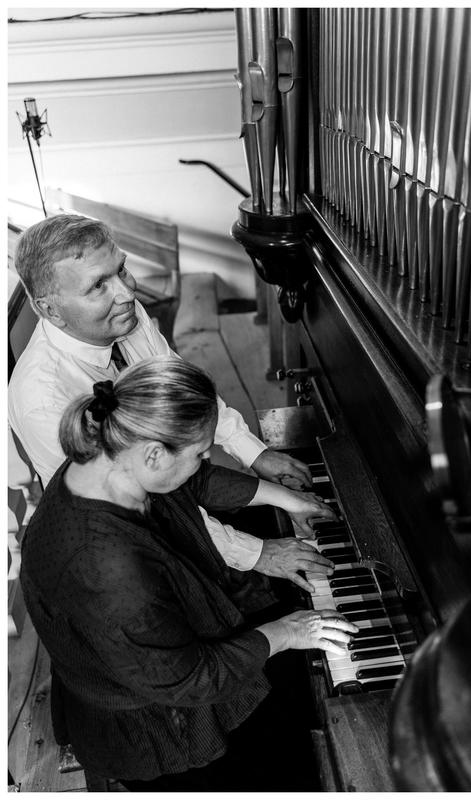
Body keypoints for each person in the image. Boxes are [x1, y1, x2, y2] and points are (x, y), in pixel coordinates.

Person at [20, 356, 358, 791]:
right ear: (154, 454)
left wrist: (285, 498)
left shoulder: (109, 459)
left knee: (300, 674)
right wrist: (289, 631)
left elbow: (191, 481)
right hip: (165, 722)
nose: (205, 459)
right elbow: (189, 679)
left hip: (169, 648)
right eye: (200, 453)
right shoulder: (107, 568)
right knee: (292, 754)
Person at [8, 213, 335, 593]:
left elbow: (185, 392)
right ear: (50, 310)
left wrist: (254, 453)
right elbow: (140, 508)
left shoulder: (122, 315)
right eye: (98, 286)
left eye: (121, 269)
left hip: (179, 482)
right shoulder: (44, 403)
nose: (127, 293)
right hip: (129, 550)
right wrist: (256, 553)